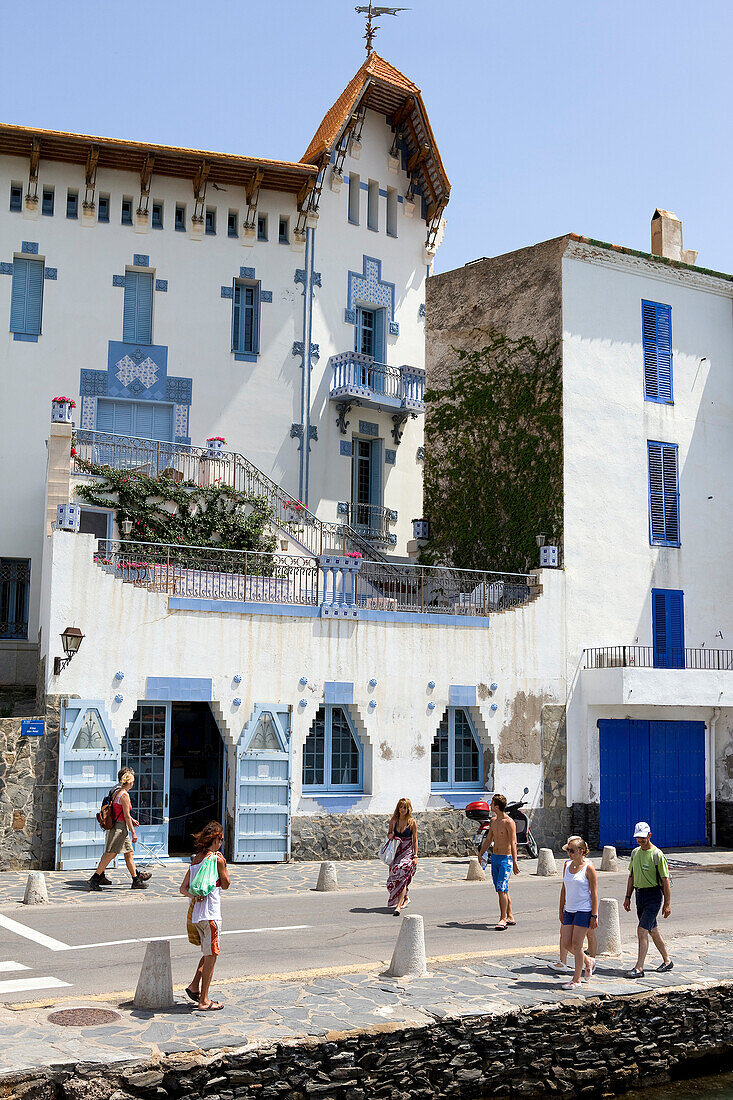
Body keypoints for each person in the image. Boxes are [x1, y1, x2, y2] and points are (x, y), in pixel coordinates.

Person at [179, 820, 230, 1010]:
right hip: (211, 915)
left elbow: (183, 888)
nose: (221, 843)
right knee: (212, 956)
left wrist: (196, 895)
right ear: (214, 840)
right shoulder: (216, 860)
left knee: (208, 953)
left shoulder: (196, 859)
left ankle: (194, 986)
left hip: (197, 916)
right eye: (221, 839)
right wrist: (223, 865)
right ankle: (204, 1000)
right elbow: (226, 884)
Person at [623, 821, 673, 978]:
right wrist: (627, 897)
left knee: (642, 930)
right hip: (640, 895)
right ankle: (667, 961)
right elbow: (631, 876)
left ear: (649, 835)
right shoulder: (635, 853)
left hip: (653, 896)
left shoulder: (657, 855)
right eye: (638, 838)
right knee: (652, 930)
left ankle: (639, 968)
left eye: (643, 837)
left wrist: (667, 904)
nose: (640, 840)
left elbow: (665, 881)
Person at [89, 768, 152, 891]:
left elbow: (123, 813)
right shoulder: (124, 795)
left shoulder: (117, 792)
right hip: (120, 829)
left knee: (129, 854)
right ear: (129, 782)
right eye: (132, 782)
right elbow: (126, 816)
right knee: (110, 854)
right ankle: (95, 879)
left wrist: (131, 821)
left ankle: (136, 880)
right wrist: (133, 832)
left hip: (120, 827)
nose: (133, 784)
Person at [549, 835, 598, 975]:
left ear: (581, 851)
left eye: (572, 850)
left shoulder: (589, 867)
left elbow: (594, 893)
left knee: (577, 945)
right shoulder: (567, 865)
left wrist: (594, 915)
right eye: (568, 850)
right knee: (566, 943)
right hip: (569, 909)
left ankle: (577, 979)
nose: (569, 853)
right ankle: (588, 961)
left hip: (583, 909)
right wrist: (560, 910)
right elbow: (564, 889)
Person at [478, 793, 520, 930]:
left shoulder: (509, 822)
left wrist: (514, 862)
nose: (490, 806)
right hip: (495, 858)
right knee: (502, 889)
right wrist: (481, 853)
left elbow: (513, 842)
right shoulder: (494, 821)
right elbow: (489, 839)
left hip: (505, 860)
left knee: (502, 888)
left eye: (491, 804)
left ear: (496, 806)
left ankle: (502, 919)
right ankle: (510, 915)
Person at [386, 797, 418, 914]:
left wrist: (415, 856)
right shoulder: (394, 820)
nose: (403, 809)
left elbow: (415, 840)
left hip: (407, 851)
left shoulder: (412, 822)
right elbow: (389, 834)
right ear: (398, 808)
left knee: (402, 872)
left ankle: (398, 906)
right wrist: (391, 835)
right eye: (401, 807)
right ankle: (405, 898)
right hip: (396, 851)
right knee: (395, 874)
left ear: (408, 809)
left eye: (405, 807)